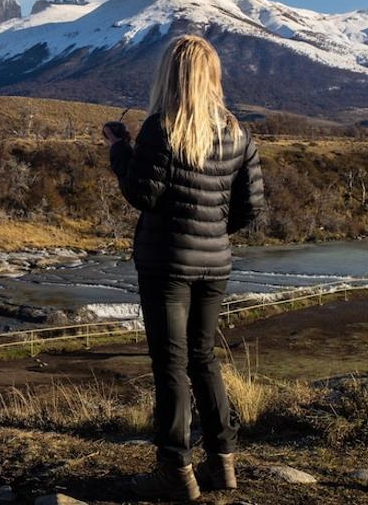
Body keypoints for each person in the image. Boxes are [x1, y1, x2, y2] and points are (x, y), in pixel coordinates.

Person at [103, 34, 265, 502]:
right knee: (203, 358)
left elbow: (142, 194)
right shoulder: (238, 133)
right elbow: (251, 206)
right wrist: (211, 231)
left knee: (170, 365)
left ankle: (175, 470)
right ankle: (223, 463)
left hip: (166, 265)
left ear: (169, 76)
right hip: (215, 264)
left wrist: (119, 150)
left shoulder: (161, 128)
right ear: (212, 75)